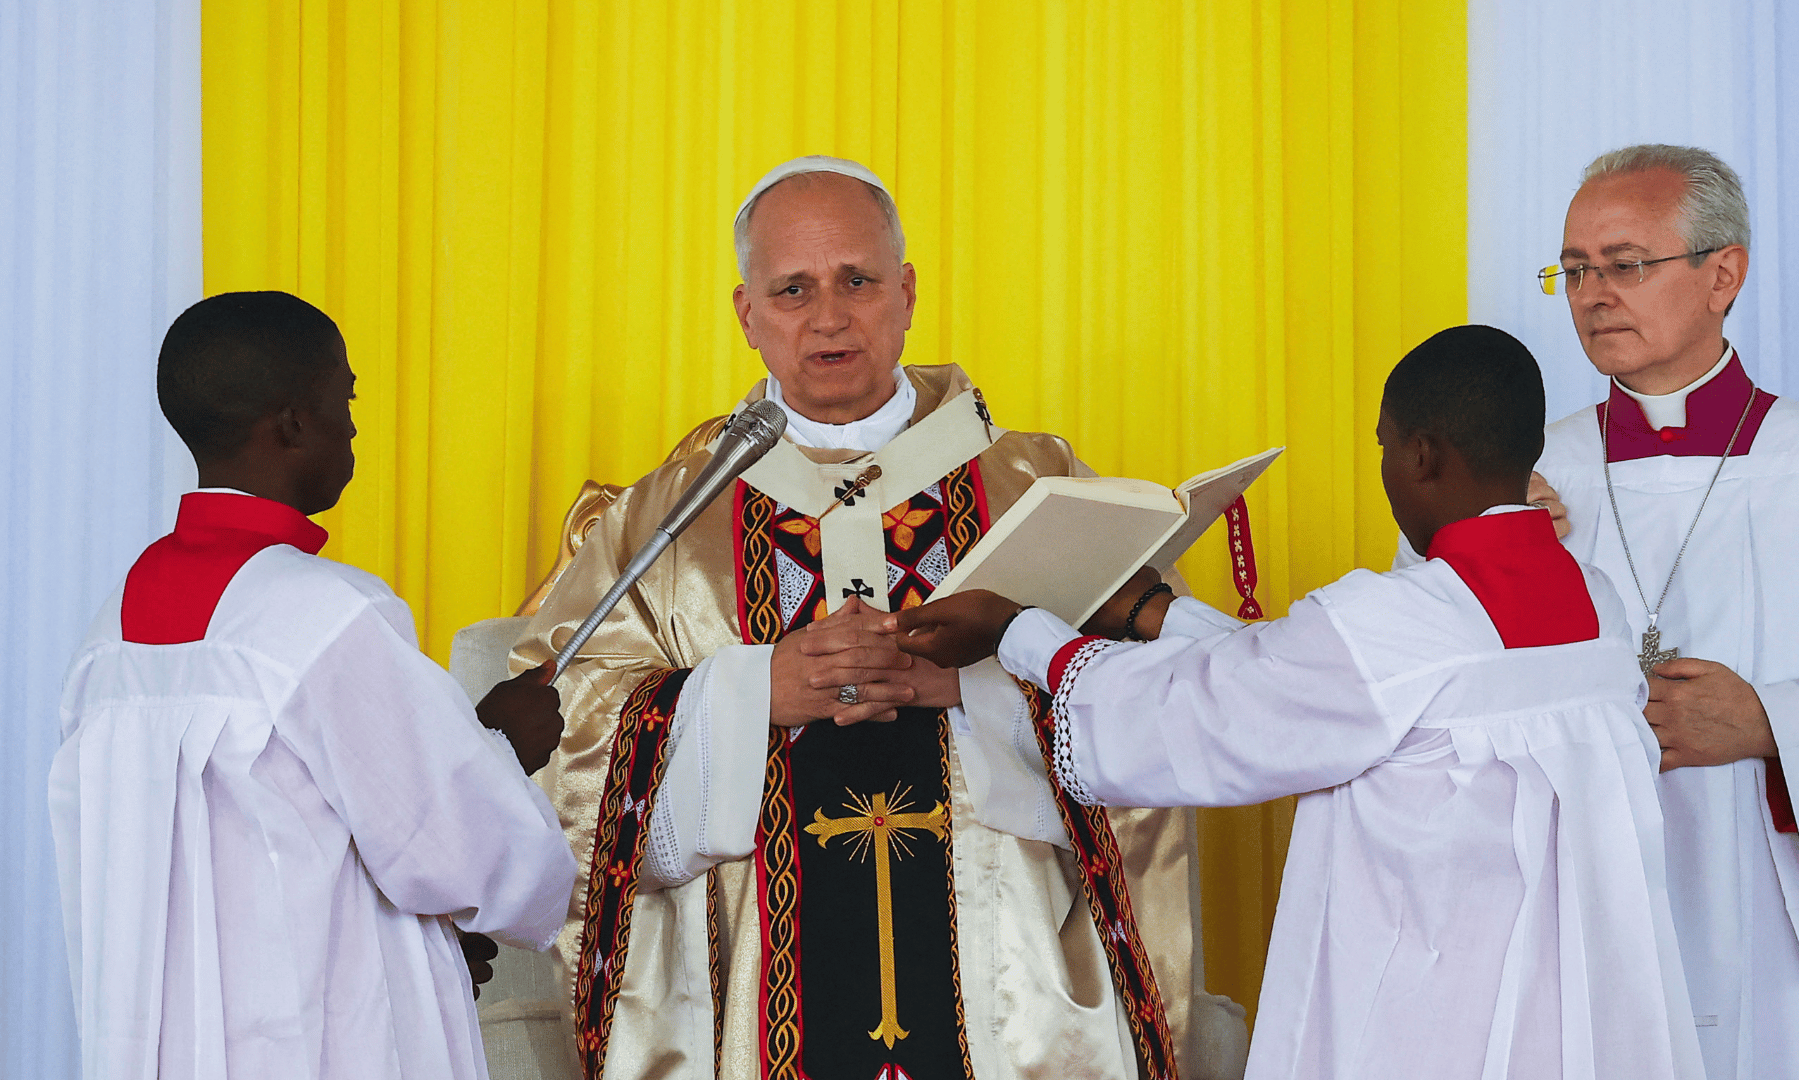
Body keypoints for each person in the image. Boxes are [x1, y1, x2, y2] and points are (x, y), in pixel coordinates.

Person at [512, 156, 1247, 1080]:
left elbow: (1160, 712)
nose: (829, 316)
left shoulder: (1036, 484)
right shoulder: (665, 521)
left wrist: (975, 689)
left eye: (857, 280)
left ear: (905, 292)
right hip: (754, 1001)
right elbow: (559, 737)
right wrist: (746, 694)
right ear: (746, 312)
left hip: (1009, 995)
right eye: (793, 289)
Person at [889, 325, 1706, 1080]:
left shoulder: (1392, 624)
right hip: (1562, 1003)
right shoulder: (1595, 605)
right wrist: (1155, 612)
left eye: (1383, 447)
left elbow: (1207, 715)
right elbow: (1295, 682)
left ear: (1421, 455)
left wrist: (1016, 630)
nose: (1383, 469)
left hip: (1430, 1010)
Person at [51, 291, 578, 1080]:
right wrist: (503, 742)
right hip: (325, 1041)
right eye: (347, 399)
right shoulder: (328, 613)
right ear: (295, 423)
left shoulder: (110, 634)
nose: (356, 424)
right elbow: (464, 854)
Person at [1527, 143, 1799, 1079]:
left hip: (1796, 935)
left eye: (1625, 264)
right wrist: (1498, 561)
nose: (1593, 292)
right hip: (1584, 906)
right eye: (1575, 270)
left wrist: (1777, 722)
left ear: (1723, 275)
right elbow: (1428, 690)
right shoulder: (1522, 480)